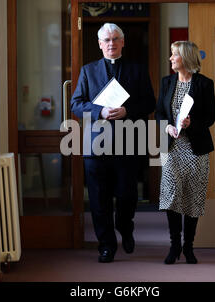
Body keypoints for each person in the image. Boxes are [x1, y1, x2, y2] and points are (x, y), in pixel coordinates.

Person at [71, 23, 156, 263]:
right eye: (106, 40)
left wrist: (127, 110)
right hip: (96, 145)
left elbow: (149, 102)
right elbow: (76, 104)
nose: (111, 43)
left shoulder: (137, 70)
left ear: (123, 42)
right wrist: (100, 111)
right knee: (99, 199)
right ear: (100, 44)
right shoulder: (88, 71)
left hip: (128, 143)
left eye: (115, 39)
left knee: (127, 195)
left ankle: (125, 226)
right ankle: (106, 245)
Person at [155, 41, 215, 264]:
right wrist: (167, 126)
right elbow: (159, 111)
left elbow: (210, 116)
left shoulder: (205, 84)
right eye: (171, 55)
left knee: (192, 197)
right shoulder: (166, 82)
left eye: (174, 55)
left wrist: (192, 124)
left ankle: (189, 247)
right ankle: (174, 246)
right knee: (171, 196)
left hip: (195, 149)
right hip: (172, 148)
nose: (171, 58)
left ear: (186, 58)